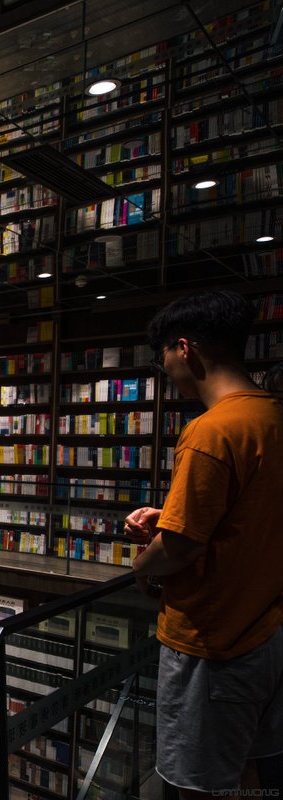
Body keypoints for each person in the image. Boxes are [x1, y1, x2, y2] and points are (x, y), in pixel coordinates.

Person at [124, 290, 283, 798]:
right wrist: (171, 519)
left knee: (195, 785)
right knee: (252, 771)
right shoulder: (272, 417)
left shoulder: (210, 432)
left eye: (164, 356)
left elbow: (179, 551)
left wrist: (142, 564)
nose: (166, 368)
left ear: (185, 349)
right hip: (269, 629)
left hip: (215, 640)